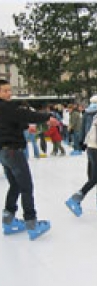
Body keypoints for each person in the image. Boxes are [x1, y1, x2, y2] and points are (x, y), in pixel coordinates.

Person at [0, 79, 55, 240]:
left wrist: (25, 127)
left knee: (15, 185)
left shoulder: (4, 110)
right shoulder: (5, 106)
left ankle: (8, 220)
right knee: (26, 186)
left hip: (4, 152)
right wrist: (47, 117)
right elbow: (24, 114)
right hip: (13, 151)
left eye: (9, 90)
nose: (9, 93)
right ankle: (31, 223)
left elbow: (9, 122)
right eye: (4, 91)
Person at [65, 98, 97, 217]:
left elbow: (89, 132)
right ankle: (75, 199)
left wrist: (86, 144)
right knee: (96, 177)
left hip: (93, 148)